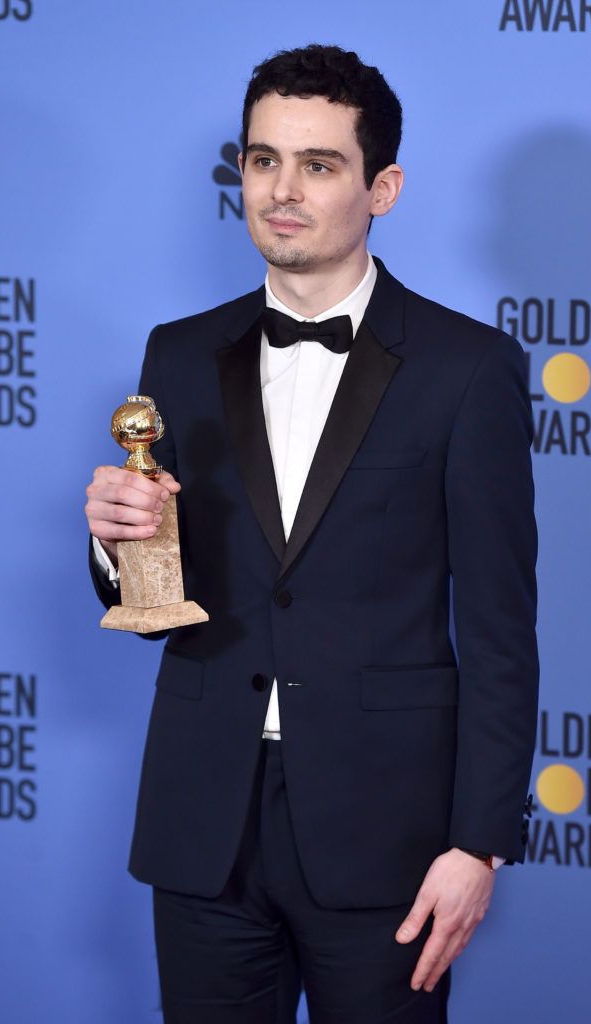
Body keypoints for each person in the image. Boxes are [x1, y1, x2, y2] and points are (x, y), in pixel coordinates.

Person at [85, 44, 539, 1024]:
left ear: (384, 187)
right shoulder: (179, 351)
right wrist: (117, 543)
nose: (281, 191)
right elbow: (158, 603)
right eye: (261, 160)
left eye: (318, 165)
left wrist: (477, 844)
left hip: (390, 837)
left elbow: (501, 631)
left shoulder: (467, 368)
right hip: (203, 823)